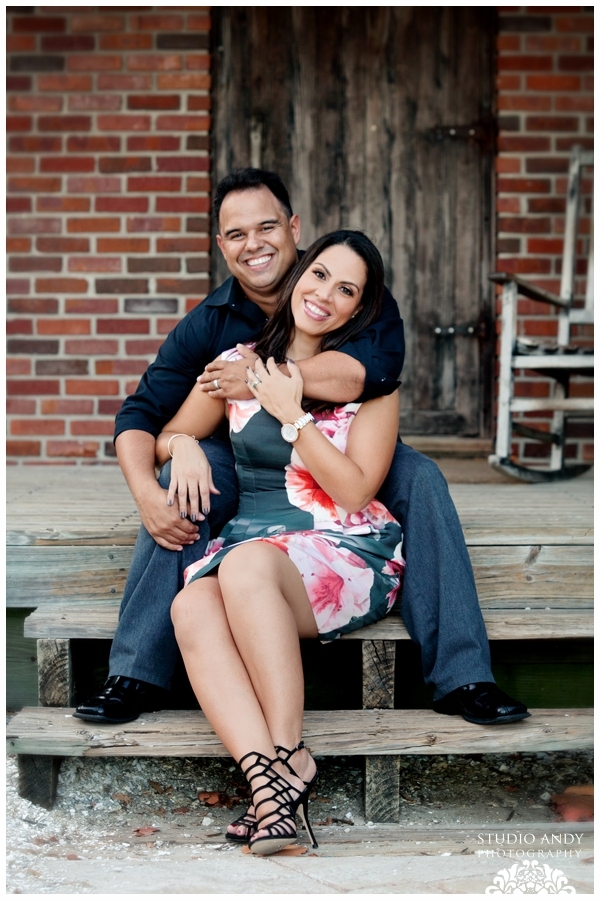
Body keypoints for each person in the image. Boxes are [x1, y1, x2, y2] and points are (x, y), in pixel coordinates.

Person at [74, 167, 528, 729]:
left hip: (342, 447)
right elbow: (142, 415)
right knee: (178, 482)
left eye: (266, 227)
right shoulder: (210, 323)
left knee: (421, 477)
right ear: (221, 245)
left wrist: (263, 377)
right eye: (236, 234)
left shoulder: (347, 282)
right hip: (247, 461)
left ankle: (463, 676)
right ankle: (138, 671)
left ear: (293, 228)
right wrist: (153, 482)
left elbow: (371, 374)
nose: (254, 244)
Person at [161, 230, 404, 854]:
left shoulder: (372, 383)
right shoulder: (237, 363)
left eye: (346, 289)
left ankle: (290, 755)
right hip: (256, 544)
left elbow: (354, 491)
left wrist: (292, 413)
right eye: (319, 275)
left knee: (244, 568)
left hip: (345, 547)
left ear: (358, 308)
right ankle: (268, 787)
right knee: (191, 604)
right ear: (299, 275)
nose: (325, 295)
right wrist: (185, 446)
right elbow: (169, 432)